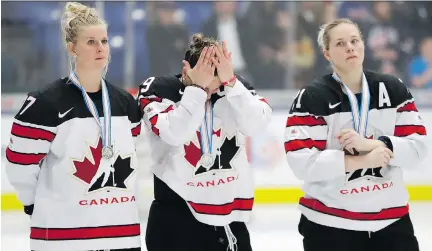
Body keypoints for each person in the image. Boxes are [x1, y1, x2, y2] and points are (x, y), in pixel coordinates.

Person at [5, 2, 142, 251]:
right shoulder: (45, 102)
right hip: (62, 238)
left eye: (104, 40)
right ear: (72, 48)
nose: (101, 48)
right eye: (91, 42)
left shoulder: (124, 102)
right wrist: (32, 203)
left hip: (121, 235)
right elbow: (19, 164)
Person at [285, 18, 427, 251]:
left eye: (354, 40)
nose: (350, 47)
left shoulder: (392, 88)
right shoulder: (313, 97)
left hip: (392, 224)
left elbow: (418, 149)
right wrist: (360, 161)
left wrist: (374, 145)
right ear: (327, 54)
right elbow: (302, 164)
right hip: (330, 226)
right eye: (340, 43)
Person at [138, 33, 272, 251]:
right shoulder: (158, 89)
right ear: (185, 70)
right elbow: (175, 133)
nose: (211, 90)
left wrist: (232, 83)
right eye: (204, 77)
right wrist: (196, 91)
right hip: (175, 217)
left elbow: (255, 125)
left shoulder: (235, 88)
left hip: (228, 218)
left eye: (216, 80)